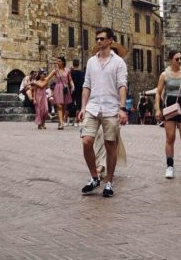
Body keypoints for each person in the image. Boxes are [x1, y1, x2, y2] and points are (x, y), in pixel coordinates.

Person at [77, 27, 128, 198]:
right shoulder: (91, 61)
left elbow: (122, 86)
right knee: (86, 142)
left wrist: (122, 108)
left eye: (101, 38)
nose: (98, 41)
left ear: (110, 41)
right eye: (97, 38)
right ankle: (94, 177)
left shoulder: (119, 63)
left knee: (110, 144)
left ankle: (109, 181)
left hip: (110, 108)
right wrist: (83, 107)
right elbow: (86, 85)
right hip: (92, 107)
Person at [155, 49, 181, 178]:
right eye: (177, 59)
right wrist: (157, 109)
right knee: (170, 138)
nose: (180, 61)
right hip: (170, 105)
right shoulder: (164, 75)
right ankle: (170, 166)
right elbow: (158, 92)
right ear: (171, 60)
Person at [51, 56, 72, 129]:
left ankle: (60, 121)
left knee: (63, 107)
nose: (58, 63)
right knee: (59, 105)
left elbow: (70, 80)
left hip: (65, 89)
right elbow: (47, 78)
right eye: (57, 61)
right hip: (58, 88)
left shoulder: (67, 70)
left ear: (63, 62)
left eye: (59, 61)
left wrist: (73, 86)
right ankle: (61, 123)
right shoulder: (55, 71)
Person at [69, 58, 84, 125]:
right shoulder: (81, 73)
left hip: (71, 90)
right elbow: (82, 82)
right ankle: (77, 121)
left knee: (68, 105)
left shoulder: (70, 73)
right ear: (79, 64)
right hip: (79, 90)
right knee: (78, 106)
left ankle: (66, 121)